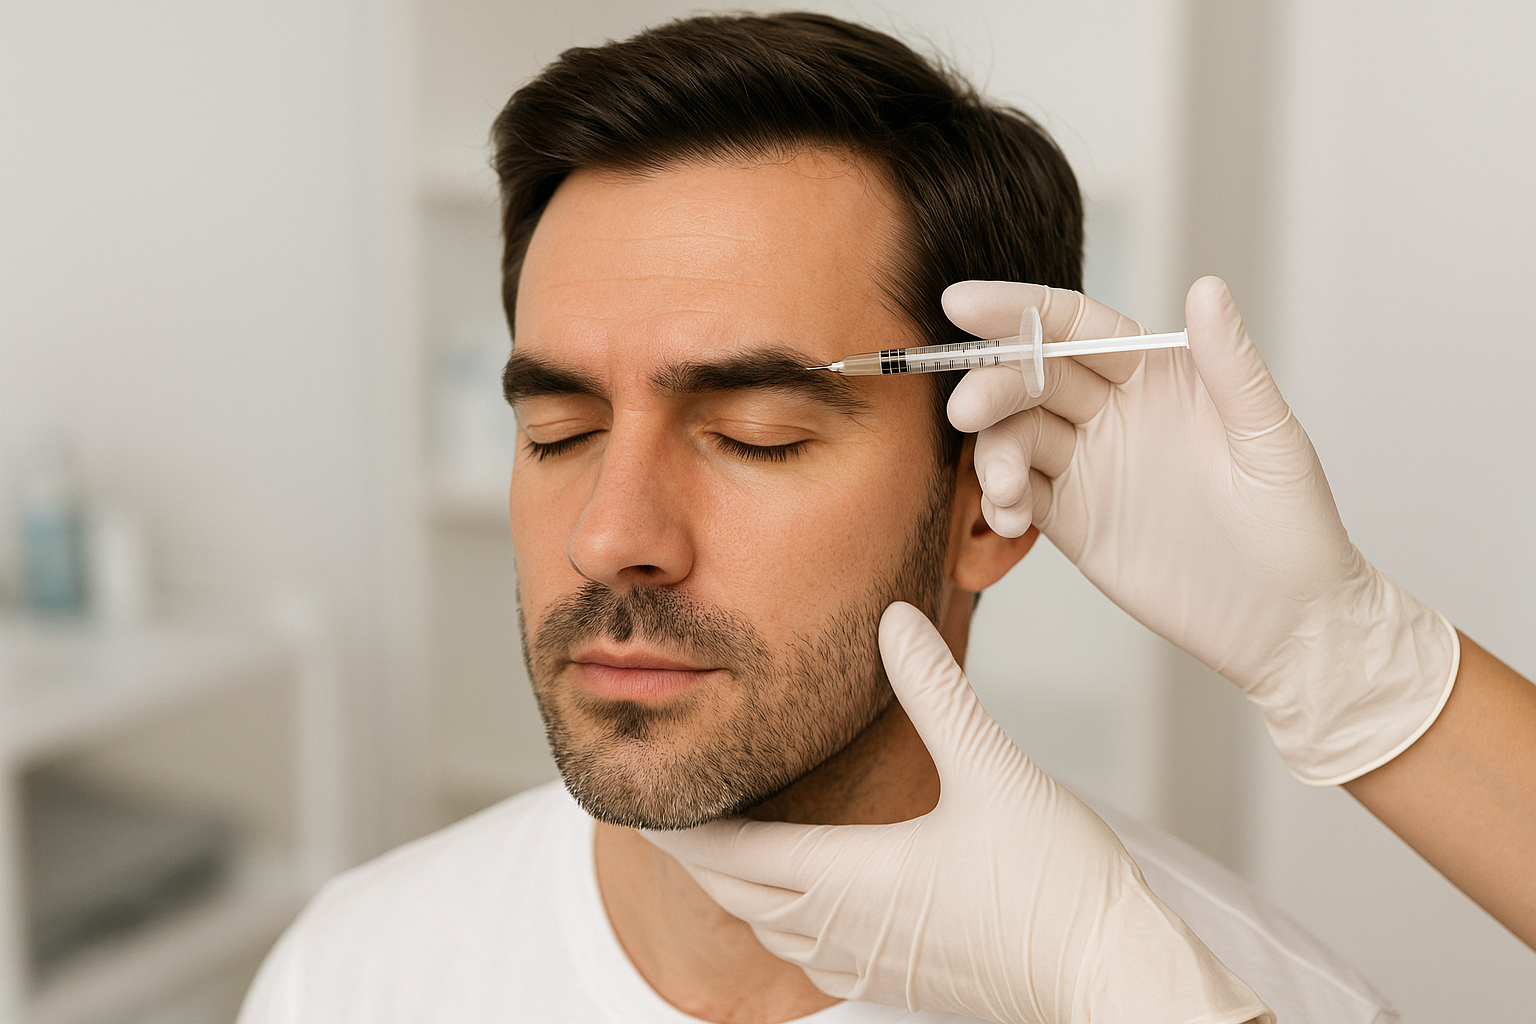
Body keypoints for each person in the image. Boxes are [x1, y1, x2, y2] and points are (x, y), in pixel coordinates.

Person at [238, 13, 1397, 1024]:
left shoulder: (1230, 1001)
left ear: (990, 502)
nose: (607, 535)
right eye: (560, 433)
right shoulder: (347, 979)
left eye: (757, 437)